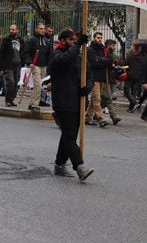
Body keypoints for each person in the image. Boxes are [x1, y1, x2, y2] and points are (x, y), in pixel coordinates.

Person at [49, 29, 94, 182]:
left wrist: (87, 86)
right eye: (71, 39)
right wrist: (78, 45)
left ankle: (60, 164)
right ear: (62, 40)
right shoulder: (57, 54)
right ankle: (79, 166)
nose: (74, 41)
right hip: (63, 101)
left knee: (69, 136)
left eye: (75, 39)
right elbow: (64, 60)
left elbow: (89, 74)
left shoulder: (80, 56)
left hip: (78, 102)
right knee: (69, 136)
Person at [86, 32, 113, 127]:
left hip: (102, 77)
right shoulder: (90, 50)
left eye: (101, 37)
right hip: (94, 77)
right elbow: (94, 63)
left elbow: (110, 60)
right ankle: (101, 119)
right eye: (98, 37)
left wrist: (100, 59)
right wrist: (103, 61)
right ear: (94, 38)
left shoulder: (104, 49)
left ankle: (88, 117)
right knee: (97, 99)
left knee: (94, 98)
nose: (100, 39)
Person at [23, 23, 52, 110]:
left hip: (44, 66)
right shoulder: (31, 40)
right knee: (38, 84)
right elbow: (26, 52)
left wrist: (49, 65)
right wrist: (29, 62)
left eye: (43, 29)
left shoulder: (47, 42)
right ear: (36, 29)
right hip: (35, 65)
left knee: (40, 86)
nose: (42, 30)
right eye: (40, 29)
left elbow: (50, 54)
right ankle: (35, 105)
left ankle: (32, 103)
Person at [0, 24, 24, 107]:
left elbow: (23, 51)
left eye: (13, 29)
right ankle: (7, 100)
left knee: (15, 83)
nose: (11, 31)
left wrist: (23, 62)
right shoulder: (6, 39)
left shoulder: (20, 40)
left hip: (17, 64)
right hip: (8, 65)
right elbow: (1, 53)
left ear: (17, 30)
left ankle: (11, 99)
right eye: (10, 29)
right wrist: (1, 66)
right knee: (11, 82)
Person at [123, 42, 145, 112]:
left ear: (134, 47)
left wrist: (124, 68)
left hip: (130, 75)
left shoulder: (130, 55)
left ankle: (134, 103)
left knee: (126, 90)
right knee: (133, 91)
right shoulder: (141, 56)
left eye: (132, 46)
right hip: (138, 76)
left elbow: (125, 64)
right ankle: (131, 107)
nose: (131, 47)